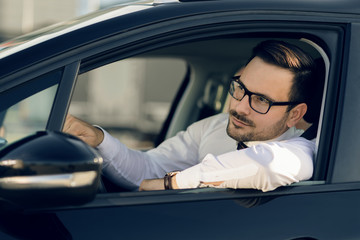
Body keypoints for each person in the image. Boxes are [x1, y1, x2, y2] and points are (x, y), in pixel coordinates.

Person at [63, 40, 317, 192]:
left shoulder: (301, 150)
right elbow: (148, 169)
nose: (239, 107)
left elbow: (267, 165)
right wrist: (99, 139)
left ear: (295, 114)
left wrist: (172, 183)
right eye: (240, 88)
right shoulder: (215, 127)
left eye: (261, 100)